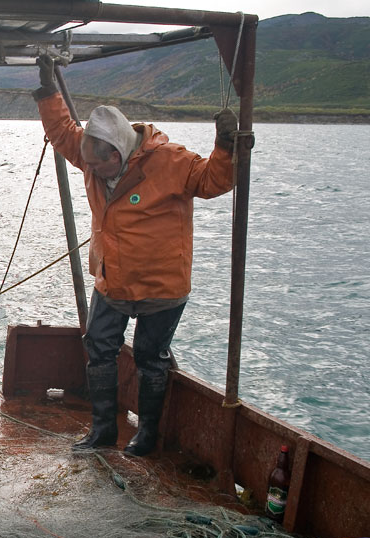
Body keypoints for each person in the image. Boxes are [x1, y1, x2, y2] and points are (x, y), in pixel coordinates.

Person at [33, 55, 239, 457]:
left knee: (150, 357)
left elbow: (214, 180)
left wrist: (225, 146)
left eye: (102, 166)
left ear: (121, 151)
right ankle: (103, 430)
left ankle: (146, 435)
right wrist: (46, 86)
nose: (95, 173)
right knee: (99, 347)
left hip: (161, 286)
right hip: (113, 280)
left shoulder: (172, 161)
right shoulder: (94, 159)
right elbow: (61, 131)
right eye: (89, 165)